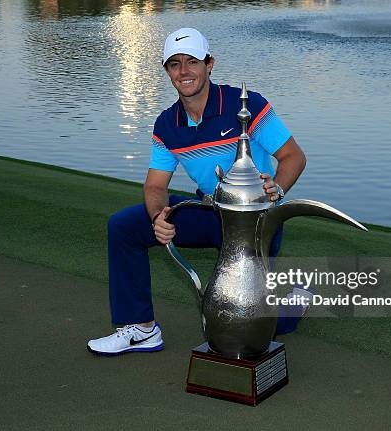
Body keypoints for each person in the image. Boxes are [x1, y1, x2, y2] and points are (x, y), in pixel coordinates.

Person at [87, 28, 308, 356]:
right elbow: (155, 185)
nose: (184, 71)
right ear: (167, 72)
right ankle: (141, 329)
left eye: (192, 61)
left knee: (254, 318)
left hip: (254, 221)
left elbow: (293, 157)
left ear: (209, 64)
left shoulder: (245, 105)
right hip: (209, 211)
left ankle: (293, 306)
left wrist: (275, 188)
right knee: (124, 226)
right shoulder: (167, 124)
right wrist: (158, 216)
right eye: (174, 64)